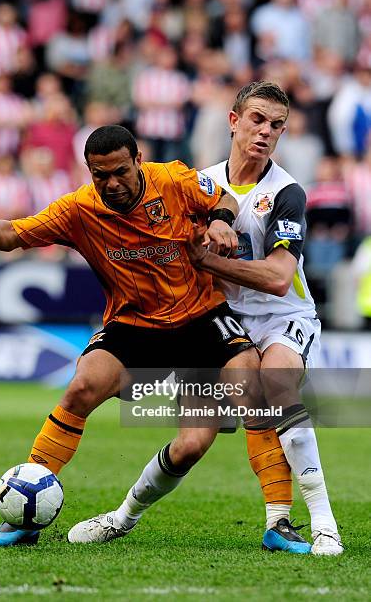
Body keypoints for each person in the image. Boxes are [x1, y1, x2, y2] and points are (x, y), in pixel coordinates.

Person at [0, 124, 260, 547]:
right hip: (133, 326)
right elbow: (12, 234)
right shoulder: (79, 209)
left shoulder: (173, 179)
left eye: (119, 172)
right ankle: (24, 513)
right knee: (81, 388)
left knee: (220, 418)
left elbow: (222, 196)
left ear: (138, 160)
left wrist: (221, 221)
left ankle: (277, 520)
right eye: (99, 175)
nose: (110, 183)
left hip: (200, 318)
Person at [74, 83, 342, 557]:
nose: (266, 132)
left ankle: (318, 523)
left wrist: (209, 261)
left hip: (283, 317)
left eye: (276, 125)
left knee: (275, 384)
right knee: (193, 442)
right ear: (233, 120)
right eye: (257, 119)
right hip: (219, 322)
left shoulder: (286, 193)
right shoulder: (198, 183)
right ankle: (122, 517)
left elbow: (280, 279)